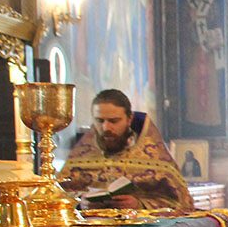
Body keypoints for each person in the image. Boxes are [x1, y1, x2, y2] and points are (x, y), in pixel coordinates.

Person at [61, 89, 193, 210]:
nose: (106, 128)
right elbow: (58, 196)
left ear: (129, 119)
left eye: (114, 121)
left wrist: (140, 204)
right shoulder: (80, 156)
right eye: (100, 121)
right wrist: (80, 203)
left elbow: (182, 203)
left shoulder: (155, 156)